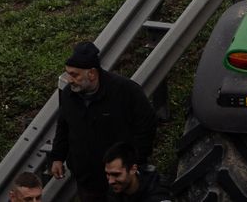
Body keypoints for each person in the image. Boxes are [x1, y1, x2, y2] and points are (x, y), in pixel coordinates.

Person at [47, 41, 159, 202]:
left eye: (74, 75)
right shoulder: (68, 95)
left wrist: (135, 160)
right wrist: (57, 156)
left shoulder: (125, 91)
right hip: (87, 180)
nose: (69, 80)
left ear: (92, 74)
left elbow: (147, 125)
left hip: (122, 181)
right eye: (68, 73)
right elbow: (64, 126)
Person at [103, 142, 174, 199]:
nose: (110, 181)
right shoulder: (115, 191)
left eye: (116, 174)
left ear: (133, 169)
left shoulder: (156, 191)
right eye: (108, 174)